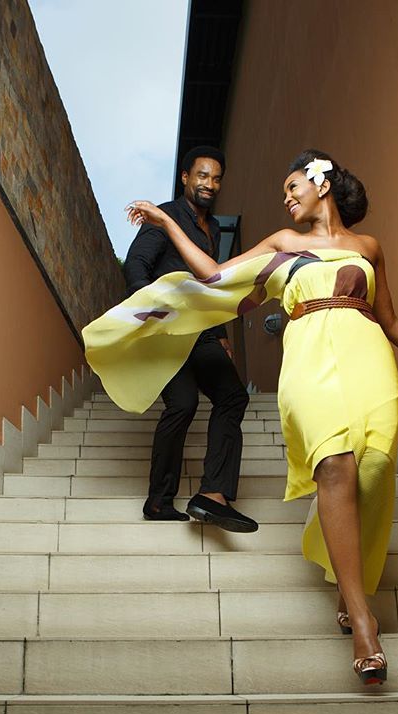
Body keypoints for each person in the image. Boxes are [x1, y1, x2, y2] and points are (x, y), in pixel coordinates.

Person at [106, 149, 398, 685]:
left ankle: (343, 575)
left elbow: (391, 320)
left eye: (292, 186)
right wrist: (166, 222)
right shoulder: (283, 242)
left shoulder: (369, 248)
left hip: (368, 357)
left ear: (321, 182)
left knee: (375, 471)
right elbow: (213, 275)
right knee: (334, 464)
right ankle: (362, 619)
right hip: (308, 359)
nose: (285, 198)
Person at [121, 146, 257, 533]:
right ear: (185, 178)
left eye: (216, 178)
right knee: (182, 403)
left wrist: (220, 332)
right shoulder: (166, 216)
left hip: (201, 332)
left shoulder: (214, 229)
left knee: (233, 396)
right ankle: (159, 500)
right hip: (165, 327)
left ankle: (213, 494)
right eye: (202, 176)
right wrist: (150, 311)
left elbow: (209, 285)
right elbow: (137, 264)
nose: (209, 184)